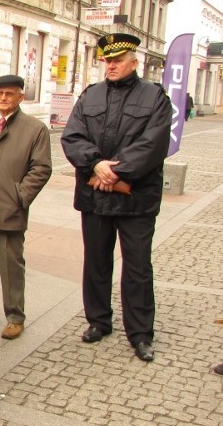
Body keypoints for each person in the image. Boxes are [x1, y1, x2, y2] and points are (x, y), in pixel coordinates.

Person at [61, 33, 172, 362]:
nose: (110, 65)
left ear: (134, 62)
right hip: (95, 196)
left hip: (136, 198)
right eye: (107, 60)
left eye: (117, 60)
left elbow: (153, 143)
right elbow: (72, 136)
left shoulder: (155, 96)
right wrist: (95, 163)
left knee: (138, 267)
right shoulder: (90, 95)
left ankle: (140, 334)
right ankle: (98, 321)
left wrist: (114, 171)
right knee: (96, 261)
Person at [0, 75, 52, 339]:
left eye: (9, 94)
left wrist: (20, 196)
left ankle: (15, 315)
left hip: (10, 207)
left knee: (11, 264)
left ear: (20, 97)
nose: (3, 98)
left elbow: (41, 168)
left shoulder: (34, 129)